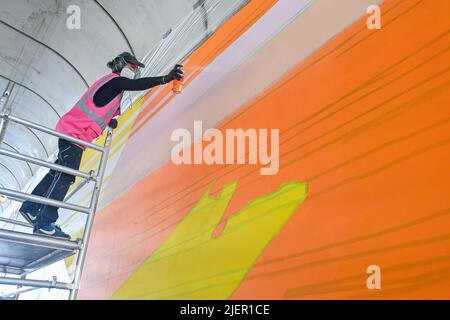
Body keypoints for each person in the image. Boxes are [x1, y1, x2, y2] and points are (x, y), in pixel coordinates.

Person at [19, 52, 184, 239]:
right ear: (127, 65)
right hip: (75, 134)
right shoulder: (116, 82)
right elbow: (136, 84)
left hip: (72, 131)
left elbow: (97, 107)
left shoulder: (108, 83)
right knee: (66, 176)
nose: (136, 70)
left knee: (56, 172)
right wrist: (166, 78)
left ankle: (30, 207)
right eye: (134, 66)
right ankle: (44, 222)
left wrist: (108, 122)